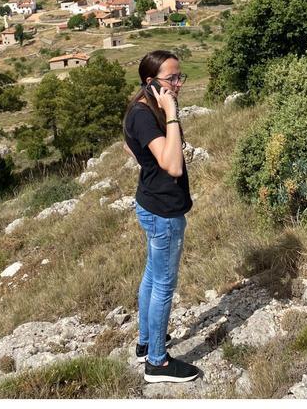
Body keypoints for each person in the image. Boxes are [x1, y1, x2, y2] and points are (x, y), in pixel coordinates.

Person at [122, 50, 199, 383]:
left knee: (152, 276)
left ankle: (144, 343)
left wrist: (148, 156)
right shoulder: (148, 113)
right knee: (163, 285)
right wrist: (170, 114)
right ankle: (157, 362)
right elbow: (173, 165)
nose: (178, 84)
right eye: (172, 79)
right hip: (163, 212)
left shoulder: (141, 105)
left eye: (180, 77)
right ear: (152, 82)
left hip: (150, 203)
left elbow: (130, 147)